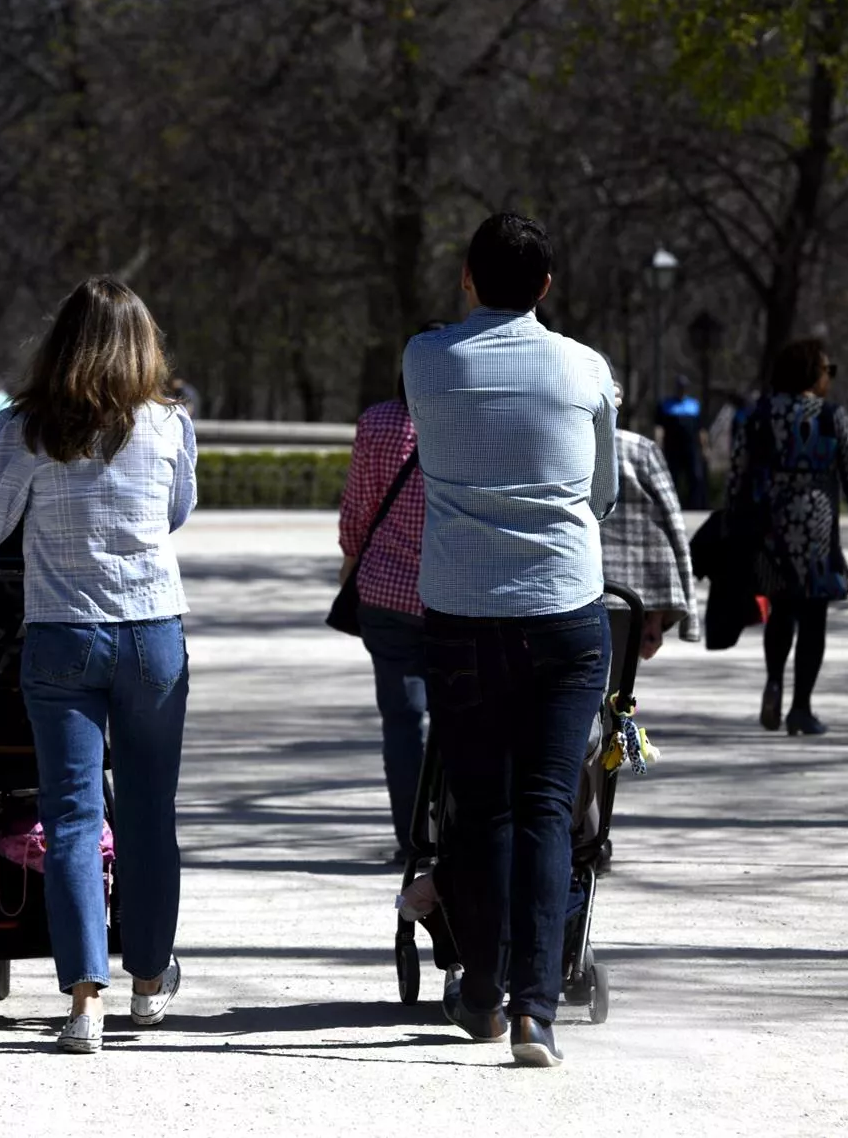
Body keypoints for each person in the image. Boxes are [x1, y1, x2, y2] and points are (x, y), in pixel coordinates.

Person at [0, 277, 197, 1055]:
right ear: (144, 346)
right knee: (149, 815)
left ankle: (84, 1001)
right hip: (152, 634)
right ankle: (148, 979)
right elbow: (175, 513)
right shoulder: (171, 423)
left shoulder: (23, 428)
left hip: (63, 635)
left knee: (74, 817)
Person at [403, 212, 616, 1069]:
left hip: (460, 608)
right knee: (546, 808)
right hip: (564, 608)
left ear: (465, 276)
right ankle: (537, 1010)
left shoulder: (426, 360)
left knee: (480, 808)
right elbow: (600, 491)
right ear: (548, 287)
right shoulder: (586, 367)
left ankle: (482, 992)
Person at [727, 338, 848, 737]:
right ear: (811, 373)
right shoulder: (831, 416)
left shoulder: (758, 414)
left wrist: (735, 530)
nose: (829, 377)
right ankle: (801, 708)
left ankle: (774, 680)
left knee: (780, 610)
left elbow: (737, 478)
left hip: (772, 524)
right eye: (826, 370)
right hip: (817, 527)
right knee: (814, 618)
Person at [337, 324, 446, 864]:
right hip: (459, 597)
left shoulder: (378, 423)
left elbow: (358, 508)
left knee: (402, 723)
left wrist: (349, 561)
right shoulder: (466, 421)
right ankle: (454, 832)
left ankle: (412, 839)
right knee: (459, 719)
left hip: (386, 594)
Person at [601, 374, 700, 667]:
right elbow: (672, 527)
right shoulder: (639, 450)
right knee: (618, 691)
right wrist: (661, 614)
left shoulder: (546, 444)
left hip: (566, 592)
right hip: (630, 595)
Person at [655, 374, 707, 508]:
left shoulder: (694, 405)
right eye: (679, 387)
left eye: (684, 387)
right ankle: (672, 505)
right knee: (673, 477)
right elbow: (659, 427)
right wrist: (658, 444)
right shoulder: (666, 405)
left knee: (695, 477)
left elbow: (701, 429)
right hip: (672, 448)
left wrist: (705, 448)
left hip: (691, 448)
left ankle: (694, 505)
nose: (681, 390)